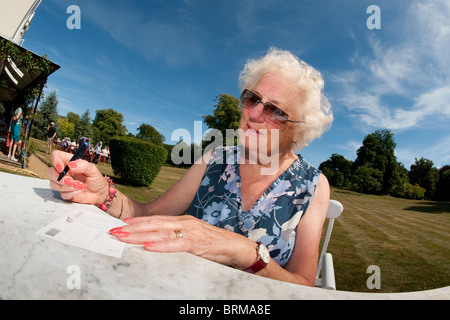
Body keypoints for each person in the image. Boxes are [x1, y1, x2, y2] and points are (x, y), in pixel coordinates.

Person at [48, 48, 333, 286]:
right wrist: (103, 194)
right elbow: (147, 213)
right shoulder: (215, 159)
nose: (255, 114)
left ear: (298, 132)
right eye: (253, 99)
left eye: (277, 111)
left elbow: (305, 285)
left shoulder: (312, 186)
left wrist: (247, 252)